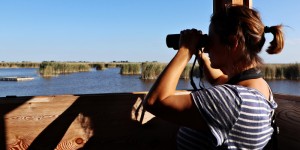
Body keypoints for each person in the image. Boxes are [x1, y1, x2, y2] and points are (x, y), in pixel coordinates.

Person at [143, 5, 284, 149]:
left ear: (233, 43)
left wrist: (186, 50)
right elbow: (217, 80)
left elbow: (155, 102)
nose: (208, 47)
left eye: (211, 40)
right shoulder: (257, 87)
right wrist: (201, 56)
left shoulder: (234, 101)